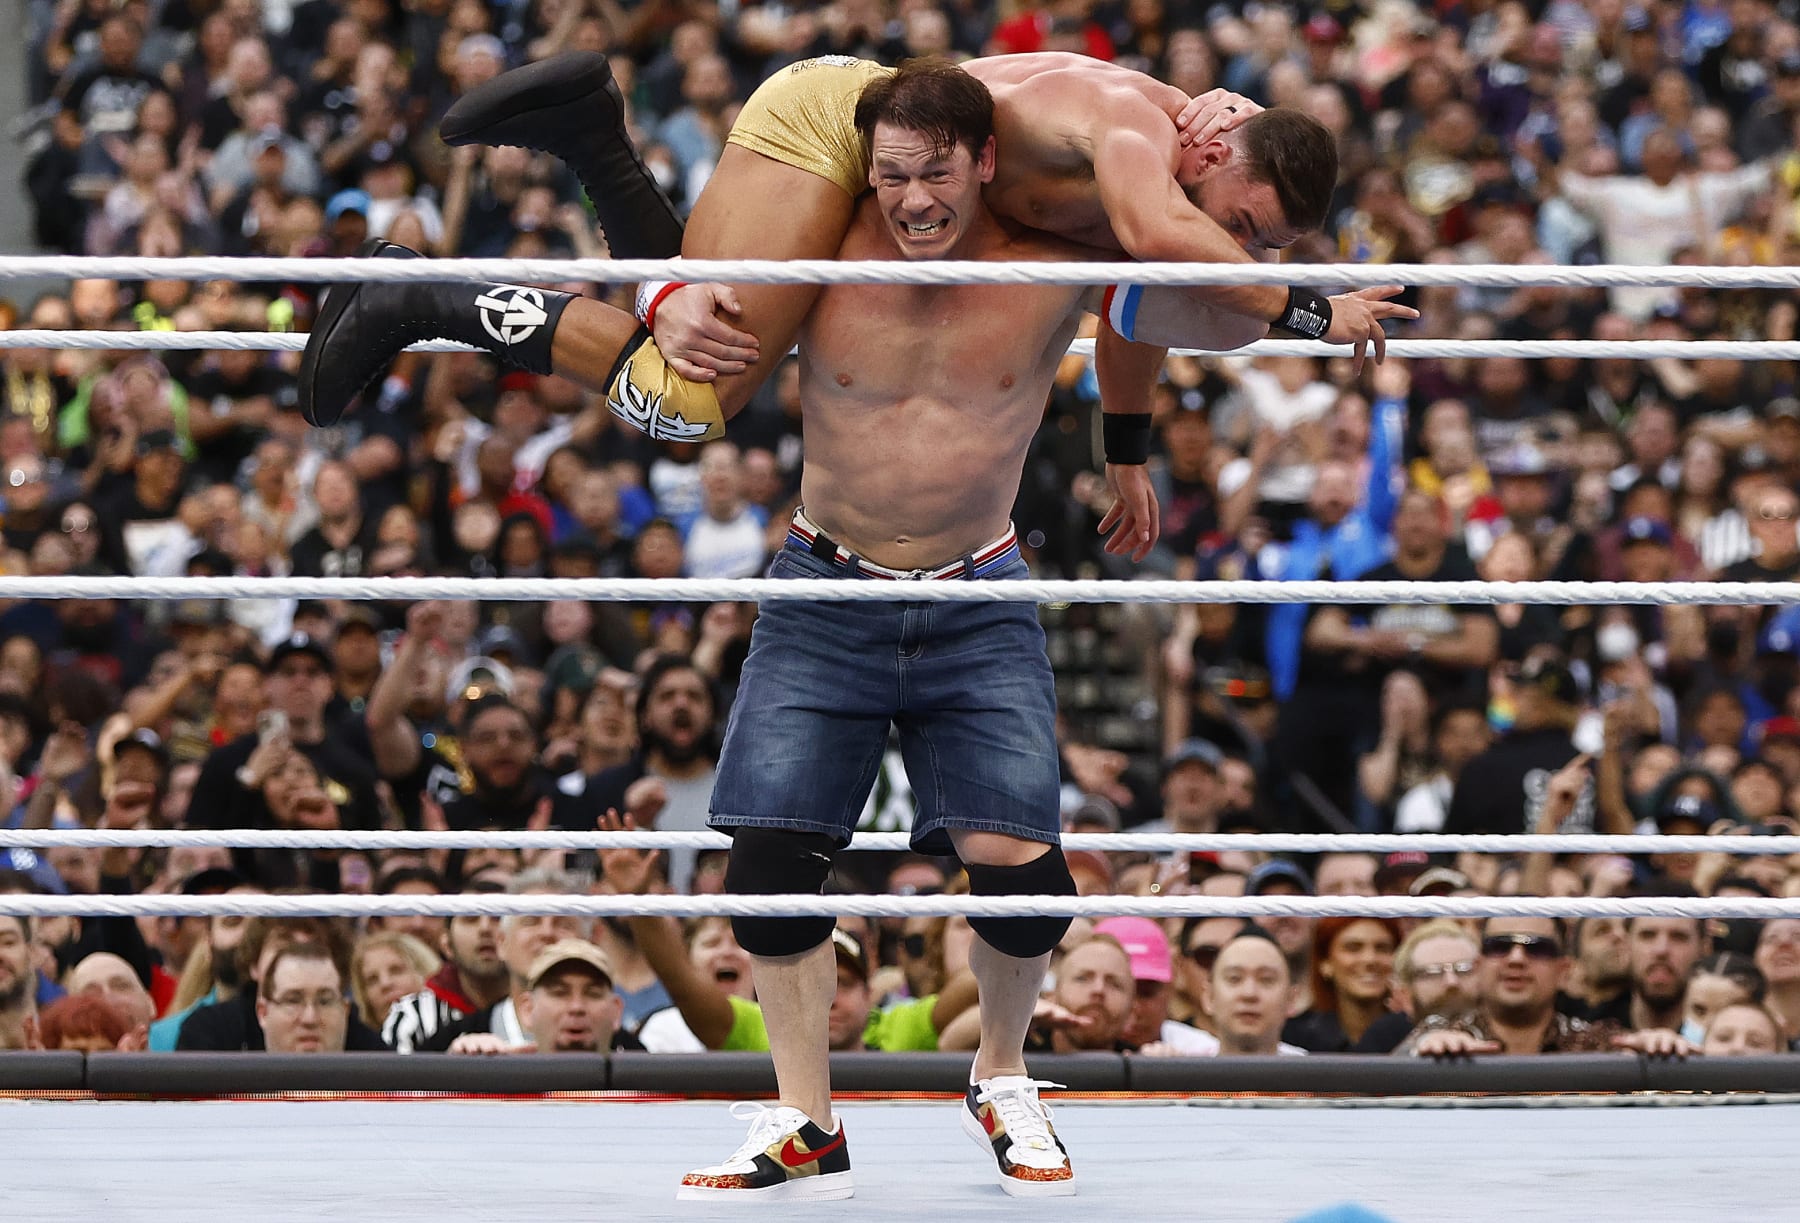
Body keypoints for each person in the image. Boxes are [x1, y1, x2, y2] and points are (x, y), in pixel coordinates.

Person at [299, 54, 1410, 559]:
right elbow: (1170, 242)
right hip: (851, 129)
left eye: (1266, 247)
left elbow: (1137, 306)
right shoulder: (1139, 134)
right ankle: (422, 288)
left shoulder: (1172, 185)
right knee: (683, 398)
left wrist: (1126, 456)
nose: (1239, 250)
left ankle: (594, 139)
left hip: (901, 156)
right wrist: (1313, 312)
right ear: (1215, 148)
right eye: (1247, 222)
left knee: (689, 351)